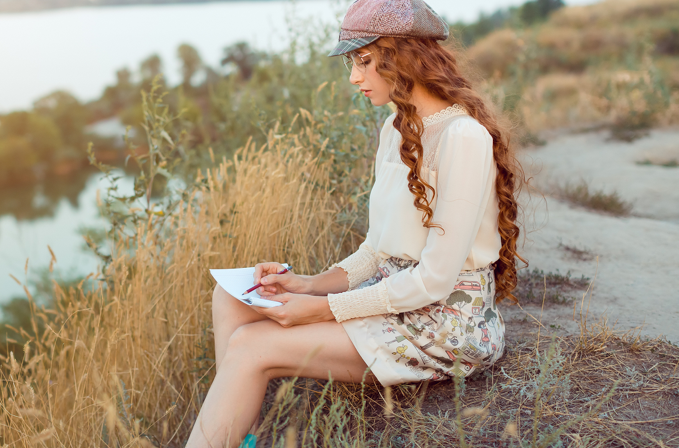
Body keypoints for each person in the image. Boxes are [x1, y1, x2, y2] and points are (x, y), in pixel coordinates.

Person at [186, 0, 525, 445]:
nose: (354, 77)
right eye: (352, 62)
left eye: (364, 61)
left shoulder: (463, 137)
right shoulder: (394, 129)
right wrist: (308, 285)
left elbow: (435, 280)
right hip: (395, 299)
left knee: (252, 346)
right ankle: (241, 435)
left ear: (406, 56)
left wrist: (326, 309)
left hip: (442, 324)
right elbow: (376, 251)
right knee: (230, 299)